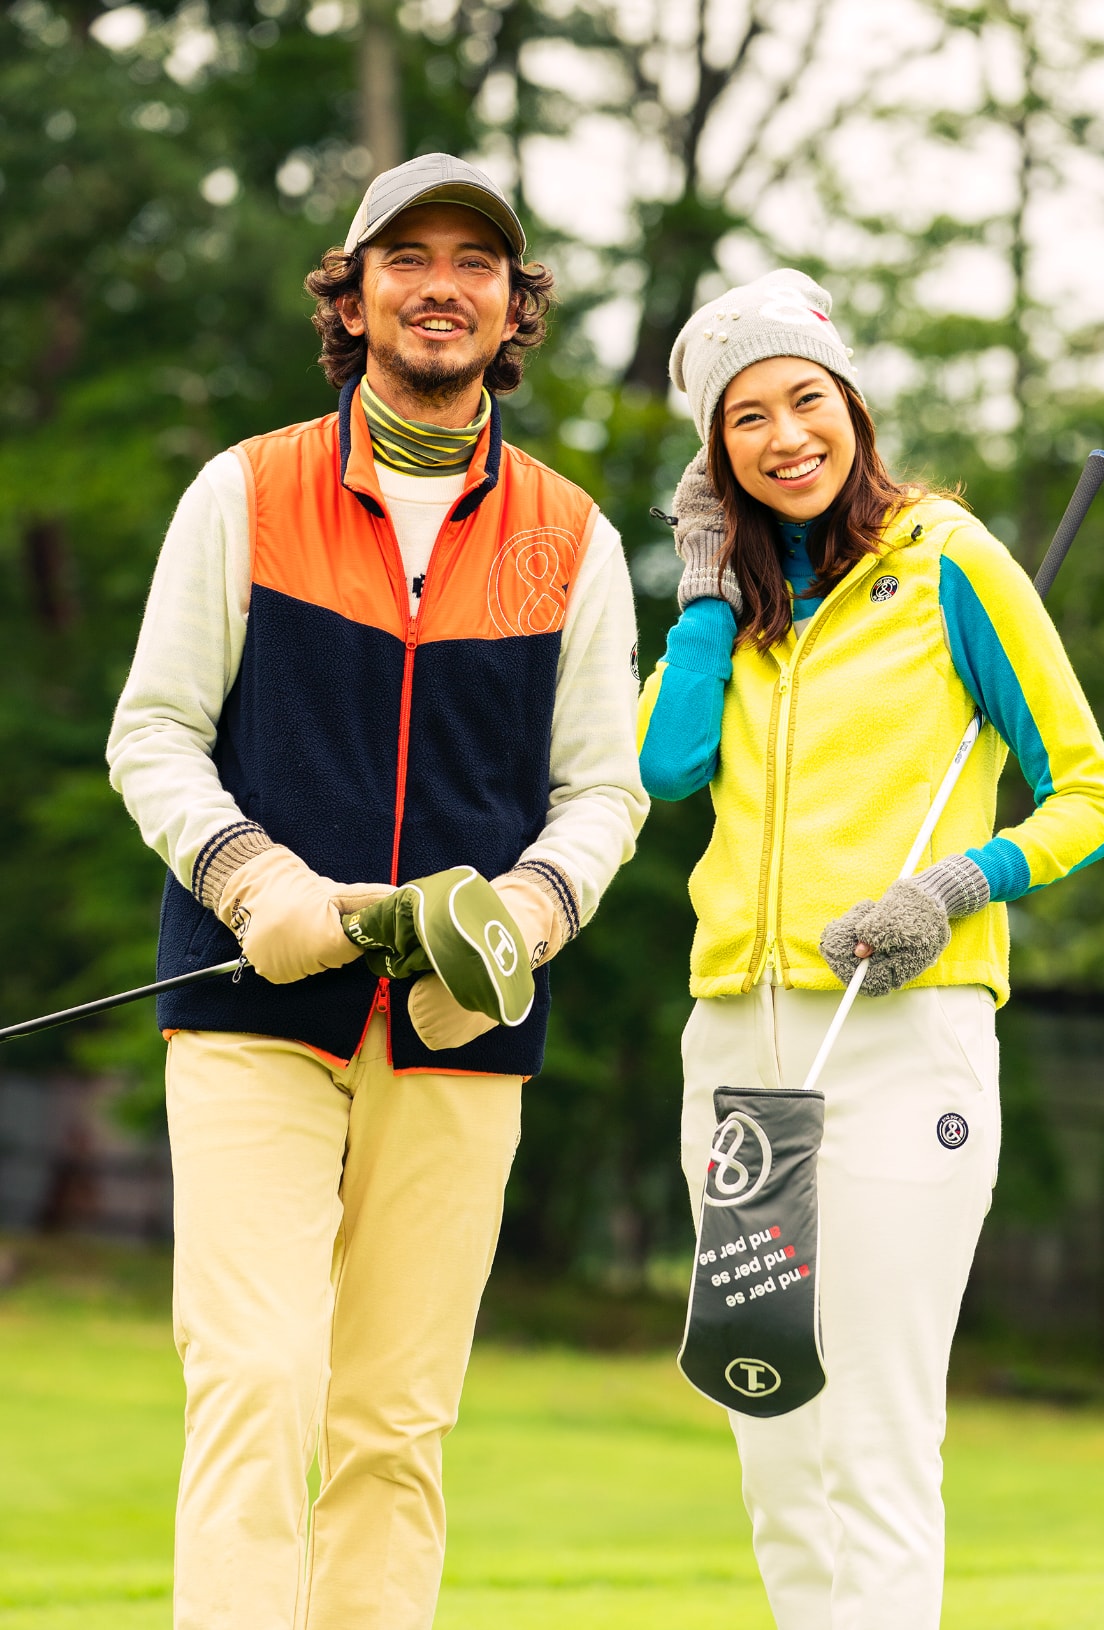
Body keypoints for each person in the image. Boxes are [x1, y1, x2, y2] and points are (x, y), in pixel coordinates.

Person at [106, 152, 647, 1630]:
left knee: (395, 1423)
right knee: (259, 1377)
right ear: (350, 298)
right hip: (252, 999)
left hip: (461, 1030)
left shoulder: (573, 537)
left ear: (515, 307)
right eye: (407, 257)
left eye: (477, 261)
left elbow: (604, 792)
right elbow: (154, 733)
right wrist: (249, 878)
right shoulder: (245, 490)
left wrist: (530, 914)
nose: (442, 285)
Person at [638, 268, 1104, 1630]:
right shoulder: (736, 605)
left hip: (900, 1040)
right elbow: (667, 766)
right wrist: (703, 591)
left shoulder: (949, 557)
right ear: (715, 453)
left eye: (806, 400)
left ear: (850, 405)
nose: (784, 436)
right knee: (772, 1434)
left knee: (872, 1433)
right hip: (740, 1057)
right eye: (745, 418)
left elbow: (1088, 793)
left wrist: (957, 884)